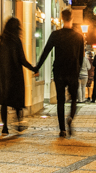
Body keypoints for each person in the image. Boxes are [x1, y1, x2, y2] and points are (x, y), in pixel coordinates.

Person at [36, 8, 85, 138]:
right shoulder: (79, 37)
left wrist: (37, 67)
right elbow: (81, 58)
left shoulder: (56, 35)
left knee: (60, 100)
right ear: (72, 18)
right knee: (74, 98)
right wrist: (77, 71)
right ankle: (70, 118)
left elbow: (46, 52)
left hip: (59, 72)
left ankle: (62, 130)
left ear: (62, 18)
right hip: (72, 72)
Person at [0, 17, 37, 134]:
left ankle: (5, 127)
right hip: (15, 75)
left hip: (3, 76)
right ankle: (18, 123)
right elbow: (22, 59)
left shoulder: (1, 40)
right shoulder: (16, 40)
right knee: (17, 102)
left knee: (4, 102)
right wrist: (33, 68)